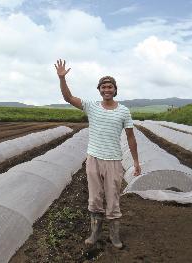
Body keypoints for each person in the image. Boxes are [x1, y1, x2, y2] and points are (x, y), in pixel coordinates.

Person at [54, 59, 141, 249]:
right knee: (94, 198)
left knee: (113, 198)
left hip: (114, 161)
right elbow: (69, 98)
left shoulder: (124, 111)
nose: (107, 89)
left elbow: (131, 138)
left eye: (110, 86)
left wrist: (136, 162)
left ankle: (114, 235)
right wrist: (62, 79)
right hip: (93, 159)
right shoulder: (91, 106)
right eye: (103, 87)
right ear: (99, 90)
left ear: (115, 90)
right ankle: (94, 233)